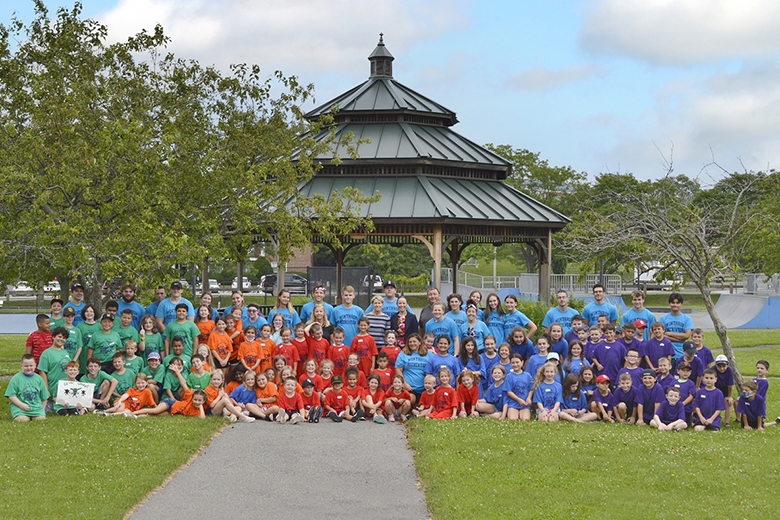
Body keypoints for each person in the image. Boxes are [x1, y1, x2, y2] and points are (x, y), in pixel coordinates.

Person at [133, 363, 207, 419]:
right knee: (155, 411)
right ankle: (132, 413)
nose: (197, 402)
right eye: (195, 399)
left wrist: (200, 406)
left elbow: (202, 418)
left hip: (172, 411)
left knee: (154, 415)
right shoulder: (190, 397)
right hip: (171, 403)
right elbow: (184, 384)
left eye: (199, 401)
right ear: (192, 398)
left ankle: (137, 416)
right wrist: (177, 372)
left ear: (203, 402)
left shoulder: (199, 411)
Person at [5, 354, 49, 421]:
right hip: (20, 408)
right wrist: (21, 405)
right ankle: (21, 415)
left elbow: (44, 397)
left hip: (36, 408)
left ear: (35, 366)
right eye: (26, 366)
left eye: (31, 365)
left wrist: (42, 409)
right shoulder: (16, 379)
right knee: (22, 420)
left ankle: (36, 415)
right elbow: (11, 395)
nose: (29, 368)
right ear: (21, 366)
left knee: (41, 419)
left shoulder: (39, 379)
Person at [37, 326, 72, 407]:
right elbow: (42, 372)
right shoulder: (47, 353)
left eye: (64, 338)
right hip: (53, 386)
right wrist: (46, 390)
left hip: (65, 386)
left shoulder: (65, 352)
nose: (61, 339)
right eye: (59, 336)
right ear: (53, 337)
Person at [395, 333, 432, 403]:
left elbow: (433, 368)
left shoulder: (428, 353)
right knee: (410, 400)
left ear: (420, 342)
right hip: (409, 388)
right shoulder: (403, 353)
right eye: (410, 342)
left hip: (425, 388)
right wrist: (405, 384)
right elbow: (398, 369)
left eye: (414, 341)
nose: (412, 344)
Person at [658, 292, 693, 361]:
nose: (675, 305)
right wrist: (681, 339)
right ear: (670, 304)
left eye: (677, 303)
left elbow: (687, 335)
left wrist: (669, 333)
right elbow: (661, 335)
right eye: (673, 302)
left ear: (681, 304)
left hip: (682, 354)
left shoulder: (687, 319)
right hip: (666, 354)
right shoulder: (663, 318)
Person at [505, 353, 532, 421]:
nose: (515, 364)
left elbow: (531, 389)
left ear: (522, 362)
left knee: (525, 419)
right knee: (513, 419)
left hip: (524, 404)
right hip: (513, 404)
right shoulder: (509, 376)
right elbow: (508, 391)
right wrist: (519, 400)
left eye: (517, 362)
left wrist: (529, 398)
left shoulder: (527, 375)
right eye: (513, 363)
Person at [713, 355, 734, 427]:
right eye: (719, 366)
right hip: (715, 390)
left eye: (724, 366)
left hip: (725, 391)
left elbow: (730, 385)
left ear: (727, 365)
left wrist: (729, 396)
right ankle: (714, 419)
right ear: (716, 365)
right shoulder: (713, 370)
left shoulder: (729, 370)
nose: (722, 368)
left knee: (729, 402)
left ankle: (727, 422)